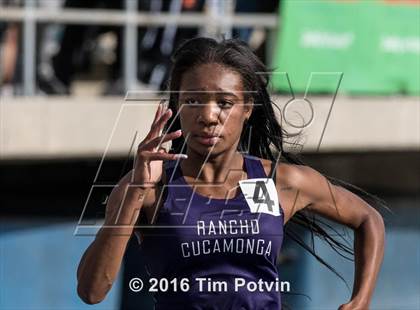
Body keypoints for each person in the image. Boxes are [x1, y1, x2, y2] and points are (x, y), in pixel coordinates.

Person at [76, 37, 386, 309]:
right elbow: (92, 292)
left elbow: (368, 219)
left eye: (225, 102)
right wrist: (136, 192)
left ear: (248, 108)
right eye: (193, 100)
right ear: (177, 105)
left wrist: (361, 300)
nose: (208, 116)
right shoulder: (148, 188)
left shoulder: (281, 182)